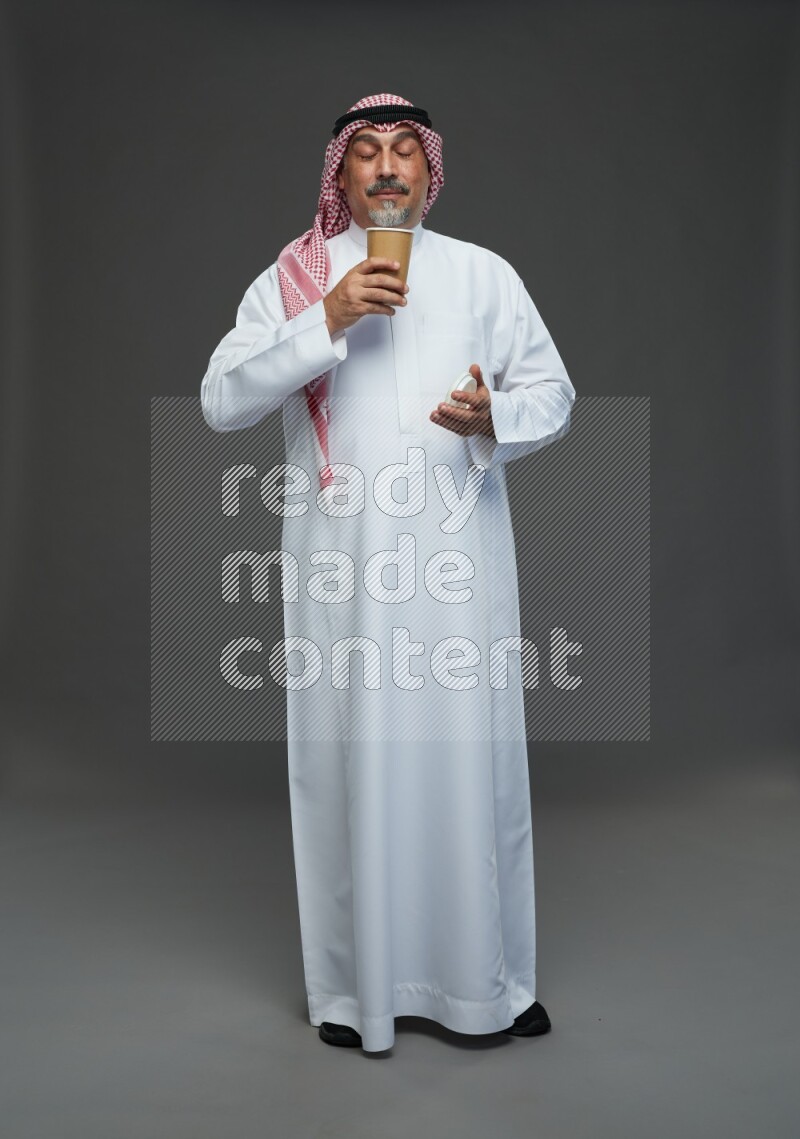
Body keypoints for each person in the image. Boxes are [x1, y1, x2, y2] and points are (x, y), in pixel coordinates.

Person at [200, 93, 575, 1053]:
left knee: (474, 762)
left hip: (458, 558)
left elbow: (554, 392)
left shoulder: (482, 274)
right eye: (366, 153)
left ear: (430, 170)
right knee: (347, 759)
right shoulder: (295, 279)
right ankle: (352, 991)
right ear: (342, 173)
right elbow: (221, 400)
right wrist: (324, 318)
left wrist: (497, 416)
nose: (388, 169)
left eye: (405, 152)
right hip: (342, 566)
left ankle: (490, 984)